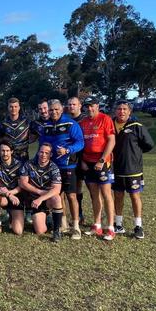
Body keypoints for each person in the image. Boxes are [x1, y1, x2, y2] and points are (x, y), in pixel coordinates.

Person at [40, 99, 85, 239]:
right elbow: (42, 144)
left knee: (72, 196)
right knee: (58, 196)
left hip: (68, 166)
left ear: (62, 109)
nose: (54, 112)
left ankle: (76, 226)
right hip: (53, 168)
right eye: (51, 110)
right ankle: (63, 223)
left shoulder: (71, 123)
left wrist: (67, 150)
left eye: (56, 109)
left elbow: (80, 143)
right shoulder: (46, 125)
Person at [112, 101, 154, 239]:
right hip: (115, 169)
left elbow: (149, 144)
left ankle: (138, 226)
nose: (121, 111)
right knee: (118, 196)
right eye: (119, 109)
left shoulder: (137, 127)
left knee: (134, 196)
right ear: (115, 111)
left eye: (124, 109)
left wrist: (134, 154)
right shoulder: (110, 124)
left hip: (133, 170)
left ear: (129, 112)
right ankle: (118, 224)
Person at [80, 97, 116, 241]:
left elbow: (111, 141)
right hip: (88, 163)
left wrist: (102, 160)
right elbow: (80, 143)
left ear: (97, 106)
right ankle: (97, 225)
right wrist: (82, 160)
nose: (90, 109)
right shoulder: (83, 122)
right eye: (87, 106)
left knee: (107, 194)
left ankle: (111, 227)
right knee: (94, 195)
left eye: (92, 106)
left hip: (102, 162)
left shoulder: (105, 119)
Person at [19, 143, 64, 241]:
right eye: (41, 152)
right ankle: (48, 219)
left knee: (56, 198)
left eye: (46, 153)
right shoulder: (29, 164)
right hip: (34, 201)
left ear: (50, 155)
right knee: (40, 231)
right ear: (38, 152)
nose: (43, 155)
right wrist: (39, 192)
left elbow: (57, 189)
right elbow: (23, 183)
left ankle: (57, 231)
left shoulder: (53, 167)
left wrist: (41, 198)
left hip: (45, 199)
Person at [0, 140, 25, 236]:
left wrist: (11, 194)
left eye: (7, 150)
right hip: (3, 196)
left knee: (18, 231)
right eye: (2, 151)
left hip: (16, 196)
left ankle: (10, 216)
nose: (5, 153)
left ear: (12, 151)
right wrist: (8, 195)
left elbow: (21, 186)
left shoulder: (19, 164)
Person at [67, 96, 87, 225]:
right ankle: (78, 214)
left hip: (86, 159)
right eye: (69, 105)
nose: (71, 107)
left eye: (74, 104)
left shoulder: (85, 119)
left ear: (80, 105)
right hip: (71, 159)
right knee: (74, 188)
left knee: (91, 188)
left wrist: (85, 159)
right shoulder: (66, 120)